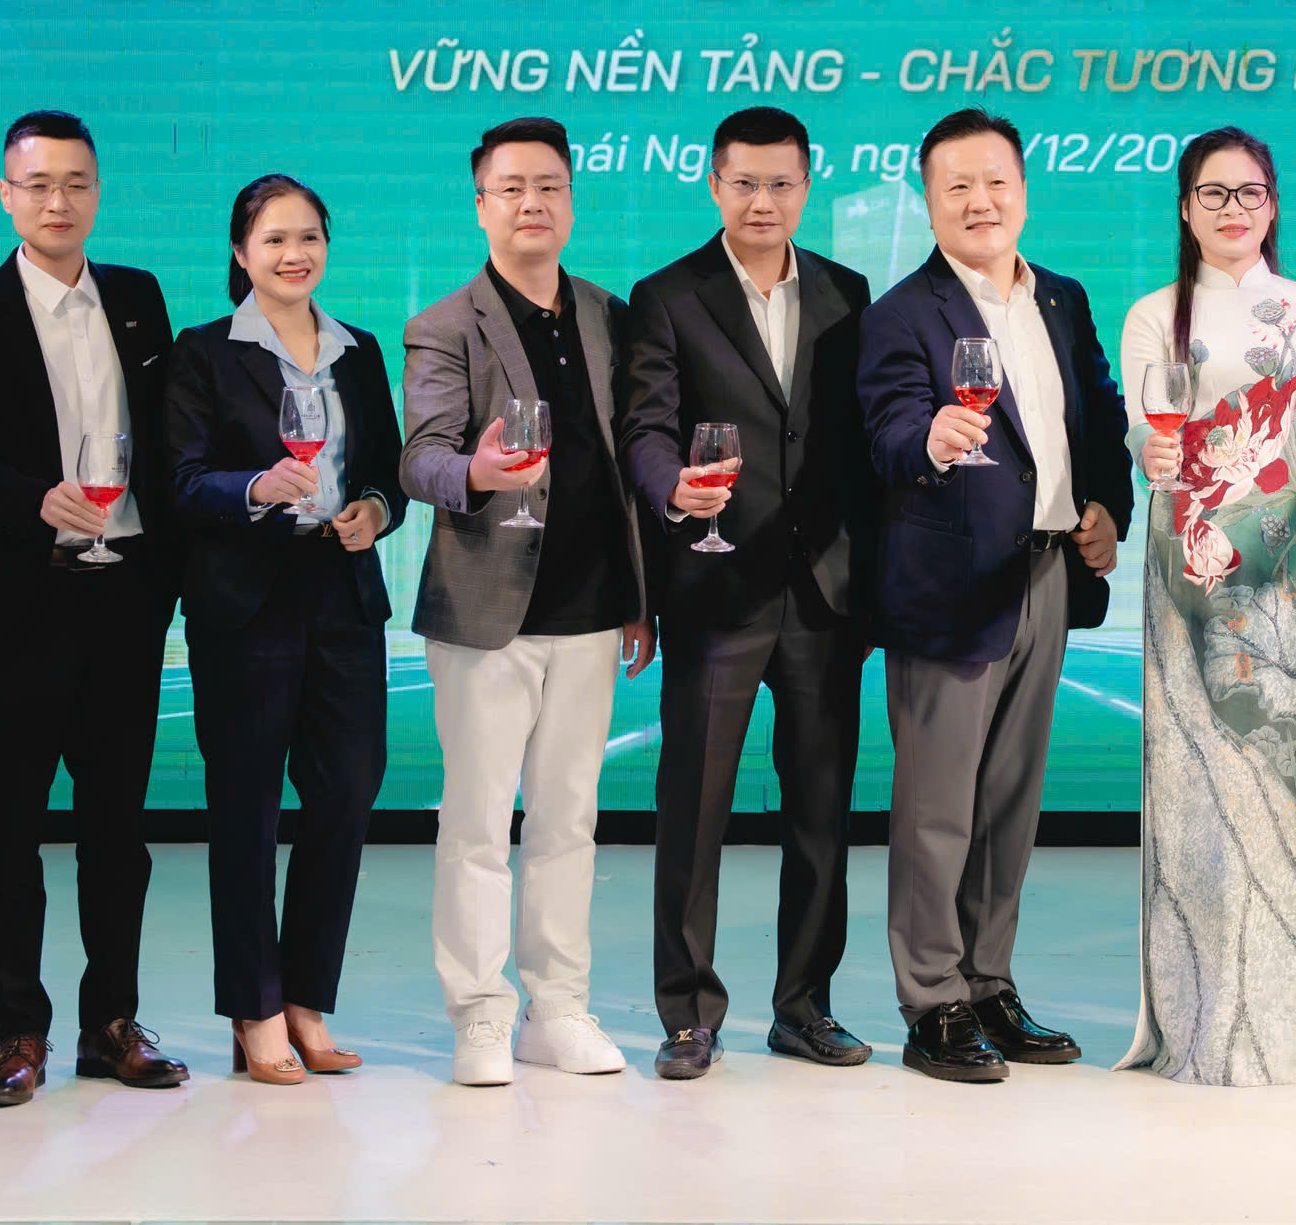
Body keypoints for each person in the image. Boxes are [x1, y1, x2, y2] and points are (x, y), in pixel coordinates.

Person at [1114, 128, 1296, 1085]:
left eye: (1249, 192)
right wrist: (1152, 455)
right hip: (1192, 570)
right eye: (1213, 192)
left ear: (1272, 204)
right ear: (1185, 208)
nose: (1232, 208)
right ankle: (1210, 1023)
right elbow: (1146, 436)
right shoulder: (1154, 314)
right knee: (1202, 783)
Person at [0, 109, 190, 1108]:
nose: (58, 200)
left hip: (126, 598)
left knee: (118, 826)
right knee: (13, 825)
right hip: (20, 600)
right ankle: (18, 1033)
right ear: (6, 194)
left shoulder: (138, 297)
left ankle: (111, 1023)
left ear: (97, 192)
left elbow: (165, 439)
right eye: (37, 184)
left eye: (76, 182)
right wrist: (36, 499)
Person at [856, 108, 1133, 1084]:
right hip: (950, 584)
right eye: (957, 186)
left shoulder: (1062, 297)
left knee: (1010, 803)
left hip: (1048, 572)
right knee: (937, 807)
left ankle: (987, 982)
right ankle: (931, 999)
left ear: (1024, 189)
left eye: (996, 182)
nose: (980, 201)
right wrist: (927, 440)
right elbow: (886, 429)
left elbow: (1100, 419)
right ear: (930, 200)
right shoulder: (901, 314)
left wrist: (1107, 508)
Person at [618, 108, 877, 1082]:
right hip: (714, 581)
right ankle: (688, 1013)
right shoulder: (668, 295)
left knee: (820, 811)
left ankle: (804, 1007)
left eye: (780, 183)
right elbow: (645, 427)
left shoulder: (848, 293)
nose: (762, 201)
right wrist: (670, 488)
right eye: (744, 183)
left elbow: (854, 442)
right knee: (693, 810)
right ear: (713, 184)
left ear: (806, 187)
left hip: (823, 593)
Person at [400, 117, 652, 1087]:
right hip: (486, 614)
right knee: (475, 824)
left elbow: (624, 467)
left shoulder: (608, 315)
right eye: (510, 188)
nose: (531, 203)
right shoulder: (445, 324)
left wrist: (639, 596)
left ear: (571, 201)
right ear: (481, 205)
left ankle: (559, 1009)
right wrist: (475, 470)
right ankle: (477, 1012)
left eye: (548, 186)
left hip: (590, 610)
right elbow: (420, 458)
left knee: (567, 823)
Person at [165, 175, 408, 1085]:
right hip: (246, 602)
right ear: (241, 252)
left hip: (342, 590)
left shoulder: (358, 350)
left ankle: (308, 999)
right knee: (248, 809)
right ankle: (255, 1009)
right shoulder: (203, 353)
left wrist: (376, 510)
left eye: (308, 237)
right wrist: (256, 488)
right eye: (273, 240)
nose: (293, 254)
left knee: (347, 796)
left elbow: (386, 469)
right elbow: (181, 481)